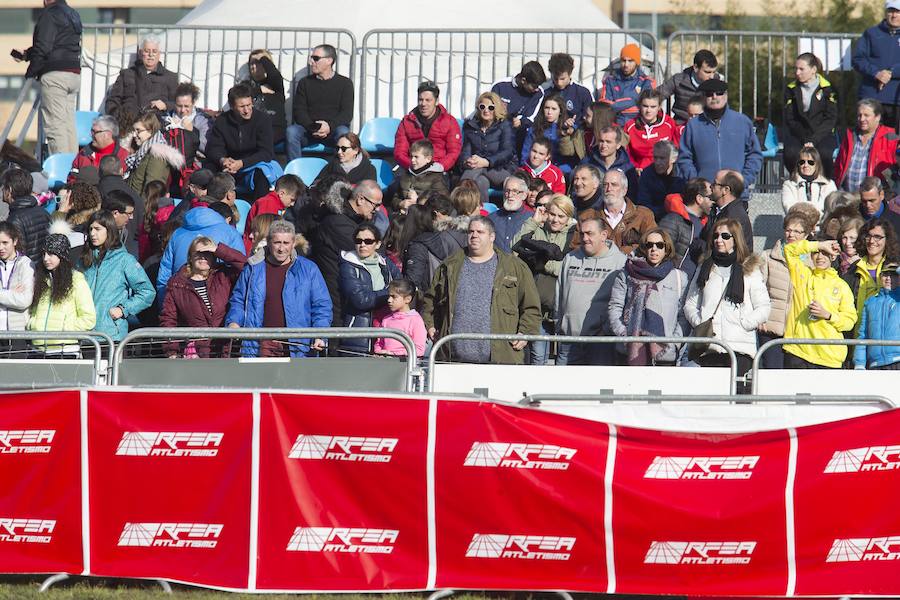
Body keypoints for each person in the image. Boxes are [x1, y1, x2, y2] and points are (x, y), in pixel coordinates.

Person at [421, 216, 540, 364]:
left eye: (480, 232)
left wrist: (525, 332)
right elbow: (430, 300)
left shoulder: (514, 266)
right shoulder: (449, 265)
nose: (474, 235)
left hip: (501, 357)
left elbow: (531, 307)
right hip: (452, 358)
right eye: (471, 231)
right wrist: (430, 325)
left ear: (492, 236)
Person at [684, 219, 770, 388]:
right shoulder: (704, 267)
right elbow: (690, 303)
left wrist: (744, 323)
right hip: (709, 346)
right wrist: (701, 322)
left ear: (735, 239)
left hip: (740, 347)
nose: (719, 240)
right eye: (715, 236)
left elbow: (764, 306)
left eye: (725, 236)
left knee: (737, 399)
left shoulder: (750, 269)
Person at [226, 220, 331, 357]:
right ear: (269, 242)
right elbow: (239, 300)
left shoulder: (309, 269)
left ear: (293, 243)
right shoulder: (252, 269)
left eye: (286, 243)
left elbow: (321, 306)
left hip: (298, 344)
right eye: (277, 243)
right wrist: (234, 322)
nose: (281, 248)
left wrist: (320, 334)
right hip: (261, 343)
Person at [608, 228, 688, 365]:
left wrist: (674, 343)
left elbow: (683, 315)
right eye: (649, 245)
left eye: (659, 245)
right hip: (629, 350)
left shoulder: (679, 277)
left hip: (664, 352)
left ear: (667, 249)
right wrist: (625, 336)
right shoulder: (627, 273)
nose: (654, 249)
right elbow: (615, 307)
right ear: (643, 248)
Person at [555, 212, 627, 365]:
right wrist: (559, 325)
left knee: (597, 388)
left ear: (603, 235)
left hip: (601, 343)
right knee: (562, 388)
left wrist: (607, 329)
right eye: (582, 234)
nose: (585, 238)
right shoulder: (570, 258)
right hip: (569, 340)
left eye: (590, 234)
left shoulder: (620, 262)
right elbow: (559, 294)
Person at [511, 194, 576, 364]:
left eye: (561, 216)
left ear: (569, 217)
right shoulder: (538, 230)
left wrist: (543, 265)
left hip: (564, 305)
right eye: (552, 214)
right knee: (538, 355)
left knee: (564, 356)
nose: (555, 220)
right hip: (538, 303)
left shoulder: (573, 235)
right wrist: (533, 222)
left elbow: (570, 266)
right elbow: (516, 249)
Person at [13, 0, 82, 154]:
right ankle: (74, 169)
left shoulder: (49, 14)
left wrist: (31, 72)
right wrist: (27, 55)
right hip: (73, 73)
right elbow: (59, 43)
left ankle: (62, 172)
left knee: (55, 127)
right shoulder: (73, 14)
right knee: (68, 124)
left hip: (55, 76)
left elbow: (43, 47)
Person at [159, 236, 247, 358]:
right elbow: (168, 319)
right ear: (190, 256)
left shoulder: (224, 275)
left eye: (208, 253)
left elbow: (247, 266)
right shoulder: (176, 283)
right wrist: (171, 352)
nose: (203, 257)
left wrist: (219, 250)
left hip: (225, 349)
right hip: (196, 353)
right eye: (198, 253)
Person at [311, 180, 384, 325]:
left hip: (345, 294)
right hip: (335, 296)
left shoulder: (356, 222)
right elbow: (367, 252)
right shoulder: (337, 222)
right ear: (360, 199)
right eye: (375, 205)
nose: (378, 210)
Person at [676, 79, 763, 199]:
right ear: (703, 97)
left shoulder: (742, 122)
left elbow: (755, 155)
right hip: (704, 197)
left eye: (719, 93)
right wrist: (696, 182)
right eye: (709, 94)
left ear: (726, 95)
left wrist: (743, 180)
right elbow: (684, 158)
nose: (714, 97)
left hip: (736, 196)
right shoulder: (693, 125)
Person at [78, 210, 154, 342]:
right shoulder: (83, 260)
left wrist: (123, 309)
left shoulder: (124, 260)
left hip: (112, 335)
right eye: (90, 229)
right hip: (84, 335)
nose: (92, 233)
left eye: (97, 229)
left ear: (109, 230)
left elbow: (147, 292)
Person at [782, 238, 857, 369]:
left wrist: (828, 315)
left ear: (833, 256)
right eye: (816, 252)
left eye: (825, 253)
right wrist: (818, 245)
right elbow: (789, 250)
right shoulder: (803, 275)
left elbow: (849, 321)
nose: (820, 256)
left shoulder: (841, 286)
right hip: (799, 351)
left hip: (829, 356)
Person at [758, 205, 817, 369]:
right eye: (789, 230)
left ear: (806, 235)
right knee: (772, 373)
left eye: (798, 232)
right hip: (771, 328)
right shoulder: (767, 257)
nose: (792, 235)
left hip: (800, 329)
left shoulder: (813, 262)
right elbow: (757, 290)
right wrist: (760, 317)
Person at [204, 84, 278, 202]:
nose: (247, 110)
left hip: (253, 165)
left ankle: (259, 214)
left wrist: (242, 163)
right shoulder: (222, 121)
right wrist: (223, 160)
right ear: (233, 107)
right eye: (242, 106)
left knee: (262, 175)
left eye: (249, 105)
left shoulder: (263, 119)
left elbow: (266, 152)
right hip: (228, 166)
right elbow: (213, 148)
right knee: (207, 172)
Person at [155, 205, 246, 300]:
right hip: (219, 302)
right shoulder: (230, 232)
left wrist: (165, 304)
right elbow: (242, 269)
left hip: (181, 300)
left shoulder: (177, 233)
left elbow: (164, 274)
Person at [27, 232, 95, 357]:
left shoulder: (77, 280)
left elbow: (88, 318)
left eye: (51, 254)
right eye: (44, 254)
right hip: (38, 349)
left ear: (62, 256)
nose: (46, 258)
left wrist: (63, 329)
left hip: (65, 351)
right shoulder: (41, 279)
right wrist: (33, 324)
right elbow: (34, 311)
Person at [338, 223, 402, 354]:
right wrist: (390, 294)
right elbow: (361, 300)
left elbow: (402, 286)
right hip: (360, 334)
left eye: (368, 241)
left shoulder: (385, 262)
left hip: (387, 330)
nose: (362, 245)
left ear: (377, 244)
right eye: (358, 241)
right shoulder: (348, 265)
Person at [286, 44, 353, 160]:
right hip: (308, 130)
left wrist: (329, 127)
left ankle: (340, 172)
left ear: (329, 61)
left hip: (333, 132)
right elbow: (299, 111)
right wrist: (313, 127)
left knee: (343, 132)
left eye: (316, 58)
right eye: (311, 58)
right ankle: (294, 174)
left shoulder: (345, 83)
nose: (311, 62)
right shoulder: (304, 83)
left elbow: (346, 114)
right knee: (291, 132)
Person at [783, 53, 839, 178]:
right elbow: (790, 118)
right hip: (799, 134)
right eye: (796, 69)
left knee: (825, 154)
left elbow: (831, 119)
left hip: (822, 134)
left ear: (813, 70)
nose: (797, 72)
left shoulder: (828, 89)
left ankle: (825, 181)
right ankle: (797, 181)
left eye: (801, 69)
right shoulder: (791, 89)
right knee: (791, 153)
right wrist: (805, 139)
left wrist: (814, 140)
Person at [459, 91, 517, 204]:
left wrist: (486, 162)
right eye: (482, 106)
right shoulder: (470, 126)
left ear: (497, 109)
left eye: (490, 107)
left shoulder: (505, 125)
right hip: (477, 169)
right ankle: (483, 215)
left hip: (502, 170)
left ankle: (461, 195)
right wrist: (468, 162)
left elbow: (507, 152)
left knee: (477, 169)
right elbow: (465, 151)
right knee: (481, 182)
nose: (486, 110)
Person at [844, 217, 899, 334]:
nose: (872, 241)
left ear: (887, 240)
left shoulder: (895, 270)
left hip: (889, 336)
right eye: (868, 236)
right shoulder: (852, 271)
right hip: (858, 335)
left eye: (877, 237)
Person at [403, 197, 469, 294]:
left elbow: (413, 280)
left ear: (435, 214)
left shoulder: (430, 239)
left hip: (435, 294)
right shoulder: (467, 232)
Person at [104, 35, 178, 120]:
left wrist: (165, 105)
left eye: (154, 51)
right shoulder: (126, 74)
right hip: (128, 125)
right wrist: (121, 118)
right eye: (147, 51)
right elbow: (112, 102)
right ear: (140, 53)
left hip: (156, 126)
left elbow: (179, 104)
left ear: (159, 54)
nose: (150, 55)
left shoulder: (170, 77)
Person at [393, 81, 461, 173]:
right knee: (395, 186)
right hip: (412, 169)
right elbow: (399, 152)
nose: (423, 104)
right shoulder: (407, 122)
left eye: (428, 100)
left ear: (436, 101)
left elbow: (454, 152)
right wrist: (413, 165)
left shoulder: (450, 122)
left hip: (439, 170)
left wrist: (440, 166)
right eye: (420, 100)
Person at [852, 2, 900, 129]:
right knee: (867, 140)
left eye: (898, 11)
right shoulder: (871, 33)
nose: (894, 15)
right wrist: (876, 73)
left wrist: (891, 73)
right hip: (871, 97)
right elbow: (858, 59)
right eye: (891, 11)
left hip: (896, 99)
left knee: (894, 143)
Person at [835, 99, 897, 193]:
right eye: (859, 115)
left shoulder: (890, 137)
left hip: (875, 198)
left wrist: (887, 190)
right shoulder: (850, 136)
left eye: (866, 115)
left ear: (877, 117)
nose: (862, 119)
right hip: (847, 195)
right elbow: (839, 165)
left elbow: (894, 167)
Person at [592, 169, 657, 255]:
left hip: (631, 266)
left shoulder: (643, 215)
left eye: (614, 185)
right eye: (605, 185)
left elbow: (653, 245)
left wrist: (623, 252)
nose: (609, 189)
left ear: (624, 190)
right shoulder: (589, 216)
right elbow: (577, 247)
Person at [658, 177, 713, 280]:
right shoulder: (673, 219)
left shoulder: (705, 223)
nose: (713, 202)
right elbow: (660, 252)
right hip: (672, 284)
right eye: (711, 197)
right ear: (699, 199)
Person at [124, 112, 186, 196]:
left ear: (150, 130)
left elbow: (152, 189)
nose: (135, 135)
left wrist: (142, 207)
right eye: (134, 130)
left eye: (138, 130)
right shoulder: (143, 150)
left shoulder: (157, 154)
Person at [854, 261, 900, 369]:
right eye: (885, 274)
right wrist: (859, 363)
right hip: (875, 365)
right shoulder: (870, 302)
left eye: (893, 275)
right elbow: (863, 335)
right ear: (880, 277)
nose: (888, 278)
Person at [657, 49, 723, 124]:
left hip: (708, 125)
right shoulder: (679, 80)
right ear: (695, 68)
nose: (712, 76)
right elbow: (656, 95)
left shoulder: (717, 83)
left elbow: (723, 110)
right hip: (682, 124)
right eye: (707, 72)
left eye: (714, 72)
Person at [598, 44, 656, 127]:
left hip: (638, 126)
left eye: (630, 61)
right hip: (615, 126)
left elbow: (647, 108)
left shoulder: (646, 82)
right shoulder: (610, 80)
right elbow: (605, 106)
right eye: (623, 60)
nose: (626, 65)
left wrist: (617, 106)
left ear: (637, 62)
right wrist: (634, 100)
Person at [624, 88, 680, 173]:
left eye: (653, 107)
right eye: (645, 106)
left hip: (665, 170)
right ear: (639, 106)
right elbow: (626, 153)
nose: (649, 110)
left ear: (659, 107)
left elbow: (676, 148)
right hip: (640, 171)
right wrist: (634, 167)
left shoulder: (669, 123)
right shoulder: (630, 126)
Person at [0, 222, 35, 357]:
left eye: (5, 243)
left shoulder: (25, 264)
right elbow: (17, 298)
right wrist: (11, 294)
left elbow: (24, 300)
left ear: (14, 241)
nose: (1, 248)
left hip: (17, 332)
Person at [242, 174, 304, 250]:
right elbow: (263, 232)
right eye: (292, 200)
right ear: (281, 193)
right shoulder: (268, 203)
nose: (292, 204)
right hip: (255, 248)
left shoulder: (276, 204)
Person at [2, 168, 50, 262]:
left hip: (26, 272)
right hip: (42, 270)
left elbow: (17, 255)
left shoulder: (14, 220)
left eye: (4, 187)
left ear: (10, 190)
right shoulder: (44, 212)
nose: (2, 190)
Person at [373, 278, 427, 358]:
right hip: (385, 365)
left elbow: (419, 350)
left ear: (407, 299)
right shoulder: (386, 320)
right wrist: (379, 353)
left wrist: (394, 354)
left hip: (405, 366)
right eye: (389, 296)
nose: (389, 300)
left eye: (394, 297)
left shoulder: (415, 320)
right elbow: (379, 343)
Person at [242, 49, 286, 147]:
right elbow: (238, 95)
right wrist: (259, 89)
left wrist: (263, 58)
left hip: (274, 127)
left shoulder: (275, 84)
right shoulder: (247, 84)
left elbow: (275, 75)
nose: (253, 66)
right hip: (252, 127)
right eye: (251, 63)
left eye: (258, 63)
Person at [163, 82, 213, 164]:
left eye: (186, 106)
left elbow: (206, 148)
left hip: (195, 163)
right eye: (179, 106)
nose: (182, 110)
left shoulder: (203, 121)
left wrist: (192, 131)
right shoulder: (166, 118)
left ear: (193, 103)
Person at [393, 140, 450, 213]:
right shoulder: (406, 174)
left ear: (428, 159)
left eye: (416, 157)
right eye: (411, 156)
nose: (412, 160)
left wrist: (418, 201)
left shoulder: (437, 178)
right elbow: (395, 197)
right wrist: (400, 204)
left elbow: (444, 205)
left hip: (425, 219)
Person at [491, 61, 546, 133]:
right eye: (534, 86)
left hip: (518, 134)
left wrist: (520, 121)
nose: (537, 89)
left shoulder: (539, 93)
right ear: (523, 80)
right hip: (495, 130)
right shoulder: (500, 86)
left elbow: (530, 118)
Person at [581, 126, 639, 195]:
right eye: (601, 141)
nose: (603, 145)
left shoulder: (627, 168)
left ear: (618, 145)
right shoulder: (587, 163)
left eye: (608, 142)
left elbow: (633, 194)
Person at [636, 140, 686, 220]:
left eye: (662, 158)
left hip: (679, 219)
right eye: (655, 158)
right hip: (653, 219)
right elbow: (643, 204)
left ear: (673, 159)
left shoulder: (682, 174)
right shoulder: (647, 174)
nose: (658, 162)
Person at [520, 94, 570, 172]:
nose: (549, 112)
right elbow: (525, 154)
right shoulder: (534, 129)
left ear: (560, 111)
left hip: (560, 170)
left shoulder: (566, 129)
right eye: (547, 108)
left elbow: (570, 158)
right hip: (536, 169)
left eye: (554, 109)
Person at [69, 116, 128, 182]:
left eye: (95, 132)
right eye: (92, 131)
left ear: (108, 134)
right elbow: (72, 178)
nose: (91, 135)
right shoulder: (84, 153)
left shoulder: (123, 156)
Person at [782, 146, 837, 215]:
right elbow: (789, 207)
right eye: (802, 162)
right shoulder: (789, 184)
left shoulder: (829, 184)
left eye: (810, 162)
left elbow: (830, 208)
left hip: (821, 224)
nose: (806, 165)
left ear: (817, 164)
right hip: (797, 223)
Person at [709, 170, 753, 250]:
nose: (710, 186)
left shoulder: (733, 216)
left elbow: (729, 251)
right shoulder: (719, 210)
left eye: (714, 184)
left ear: (725, 190)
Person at [547, 52, 594, 126]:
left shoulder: (582, 92)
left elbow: (589, 117)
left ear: (570, 74)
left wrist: (574, 126)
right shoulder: (545, 91)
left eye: (562, 79)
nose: (559, 83)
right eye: (556, 79)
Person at [488, 175, 531, 252]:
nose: (510, 195)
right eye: (507, 191)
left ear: (524, 195)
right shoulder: (491, 219)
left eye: (515, 191)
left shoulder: (531, 219)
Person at [101, 190, 138, 258]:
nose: (131, 217)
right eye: (129, 213)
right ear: (115, 213)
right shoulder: (97, 234)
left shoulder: (123, 232)